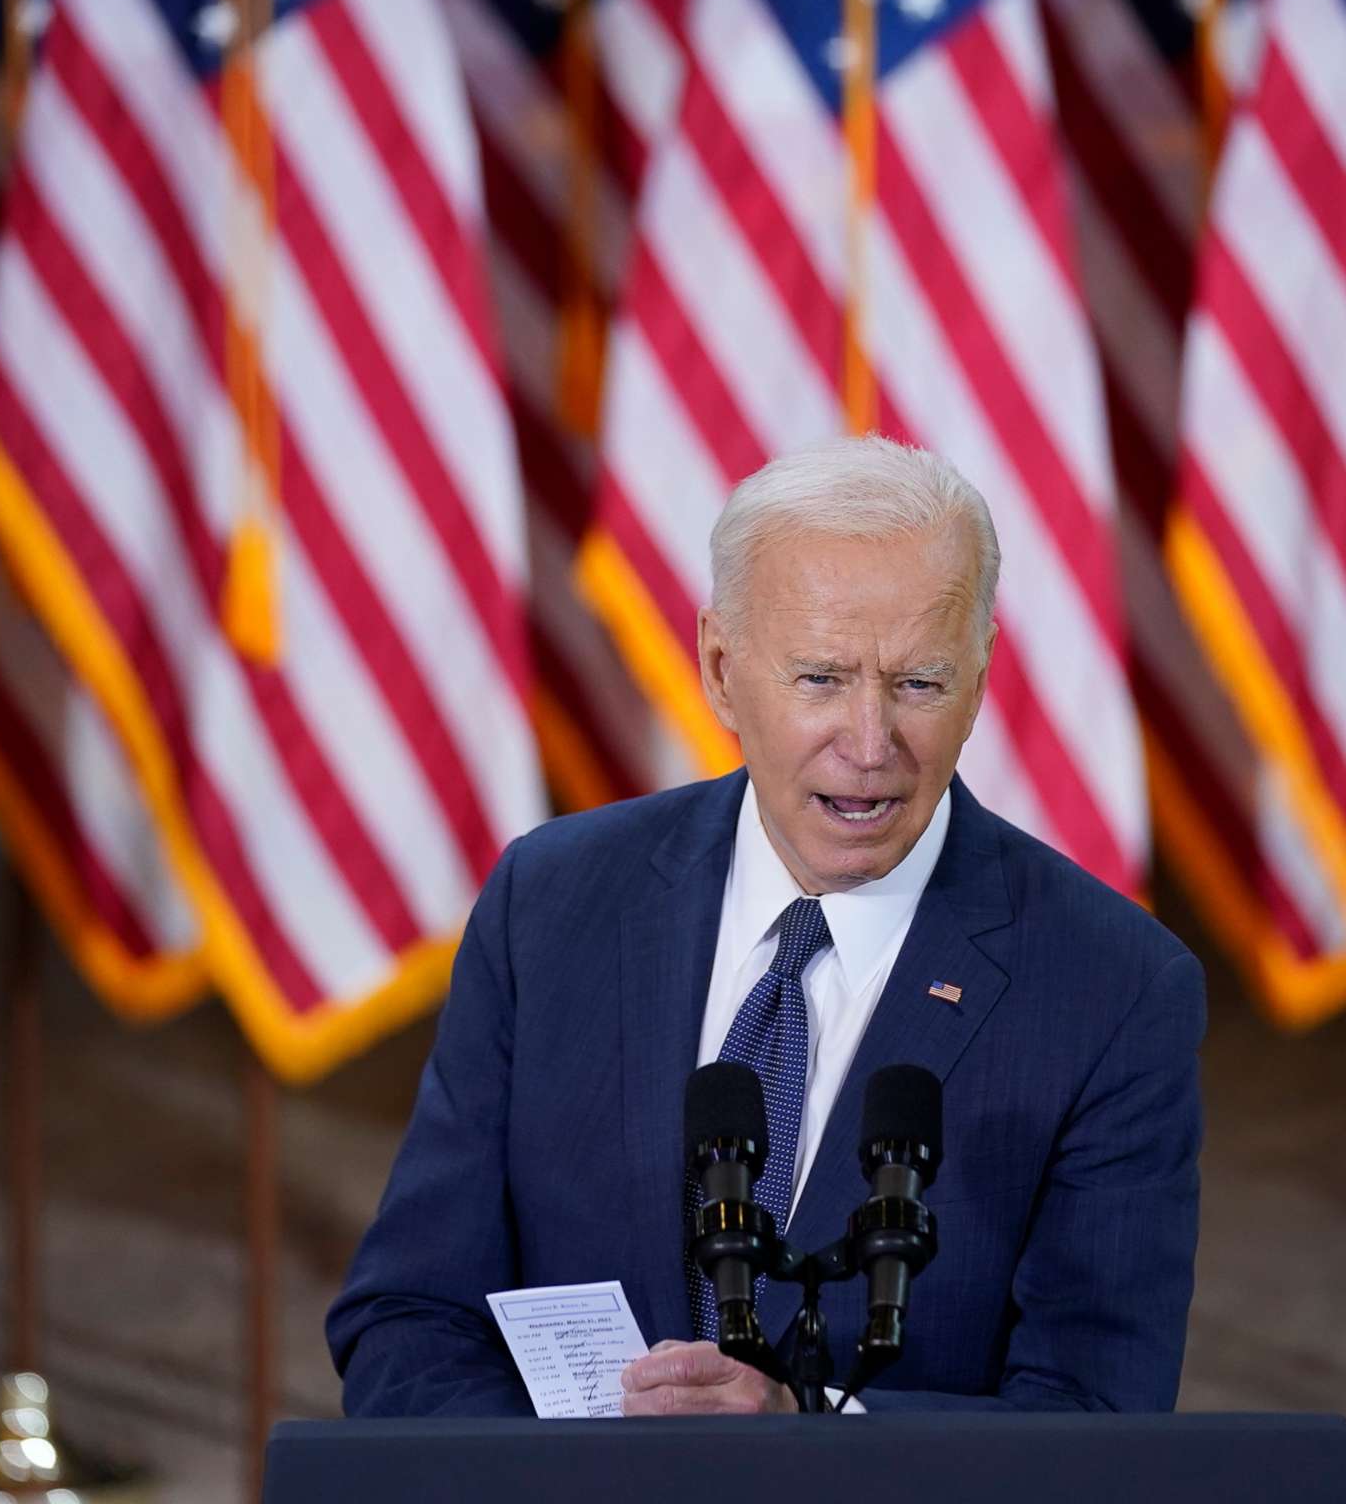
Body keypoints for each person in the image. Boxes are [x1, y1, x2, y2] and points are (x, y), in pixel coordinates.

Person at [326, 437, 1204, 1415]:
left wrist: (805, 1437)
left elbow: (1095, 1423)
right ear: (719, 667)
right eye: (821, 679)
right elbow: (408, 1318)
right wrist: (573, 1487)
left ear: (981, 675)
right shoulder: (554, 906)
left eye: (918, 683)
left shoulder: (1112, 990)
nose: (871, 746)